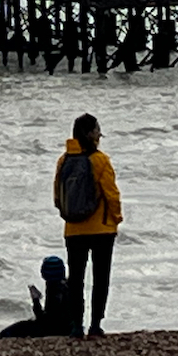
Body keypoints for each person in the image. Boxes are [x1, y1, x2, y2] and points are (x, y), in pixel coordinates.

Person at [54, 113, 123, 337]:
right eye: (97, 130)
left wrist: (68, 216)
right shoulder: (100, 160)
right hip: (102, 228)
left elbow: (57, 196)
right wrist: (116, 218)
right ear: (92, 134)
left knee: (76, 279)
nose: (100, 135)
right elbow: (111, 194)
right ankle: (95, 325)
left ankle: (76, 325)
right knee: (100, 278)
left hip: (73, 229)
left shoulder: (63, 161)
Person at [0, 256, 74, 338]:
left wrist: (35, 300)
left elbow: (46, 321)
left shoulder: (54, 290)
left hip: (54, 330)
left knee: (5, 334)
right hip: (67, 328)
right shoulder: (66, 286)